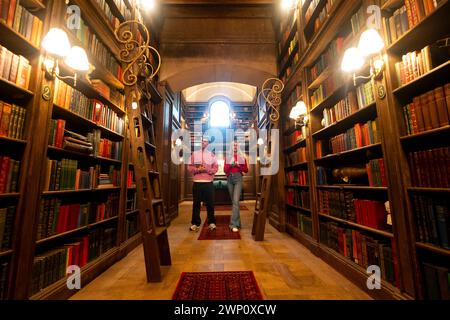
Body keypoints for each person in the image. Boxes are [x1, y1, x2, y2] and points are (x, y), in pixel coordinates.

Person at [187, 137, 218, 232]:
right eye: (202, 141)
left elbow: (215, 168)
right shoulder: (194, 154)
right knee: (196, 204)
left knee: (210, 204)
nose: (203, 142)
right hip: (197, 182)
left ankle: (211, 222)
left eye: (205, 141)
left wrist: (207, 170)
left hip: (208, 183)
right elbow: (189, 167)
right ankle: (195, 223)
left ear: (208, 143)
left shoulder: (212, 155)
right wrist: (198, 170)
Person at [224, 141, 248, 232]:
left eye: (236, 145)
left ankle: (233, 224)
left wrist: (238, 166)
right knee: (234, 202)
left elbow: (246, 170)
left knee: (235, 201)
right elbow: (225, 170)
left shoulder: (242, 157)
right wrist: (230, 164)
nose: (234, 146)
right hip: (229, 178)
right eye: (233, 145)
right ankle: (238, 223)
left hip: (238, 178)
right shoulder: (228, 157)